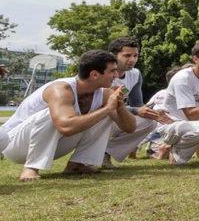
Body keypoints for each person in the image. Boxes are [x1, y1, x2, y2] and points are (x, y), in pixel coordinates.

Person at [1, 50, 136, 181]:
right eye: (112, 71)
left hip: (52, 143)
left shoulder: (104, 93)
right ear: (94, 74)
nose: (116, 76)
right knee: (52, 114)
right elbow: (65, 127)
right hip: (14, 145)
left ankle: (78, 164)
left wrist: (119, 105)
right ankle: (31, 168)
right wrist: (107, 108)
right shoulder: (60, 89)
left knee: (104, 114)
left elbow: (130, 127)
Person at [104, 37, 174, 165]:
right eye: (127, 55)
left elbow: (137, 104)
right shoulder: (103, 73)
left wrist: (153, 112)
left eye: (135, 55)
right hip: (97, 117)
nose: (132, 60)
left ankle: (105, 153)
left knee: (149, 122)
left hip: (115, 117)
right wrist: (137, 110)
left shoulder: (135, 74)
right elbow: (102, 104)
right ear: (113, 56)